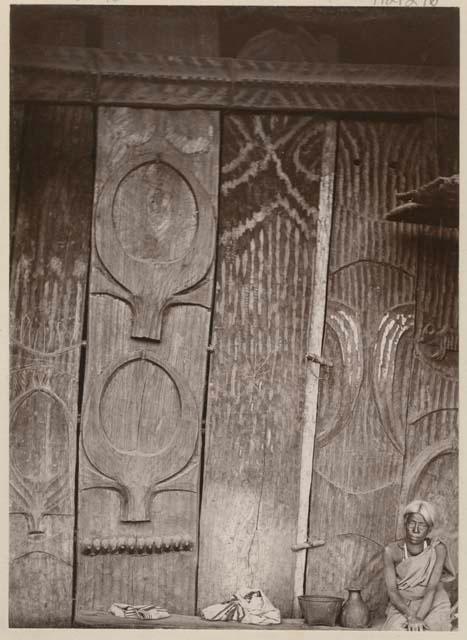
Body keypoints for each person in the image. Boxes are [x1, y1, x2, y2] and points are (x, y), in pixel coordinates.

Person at [382, 499, 455, 631]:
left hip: (433, 602)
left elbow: (431, 588)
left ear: (429, 529)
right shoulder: (391, 551)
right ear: (405, 523)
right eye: (412, 523)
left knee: (433, 630)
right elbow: (392, 592)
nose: (416, 529)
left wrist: (418, 618)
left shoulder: (438, 549)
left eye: (422, 525)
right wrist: (411, 616)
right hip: (403, 604)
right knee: (396, 631)